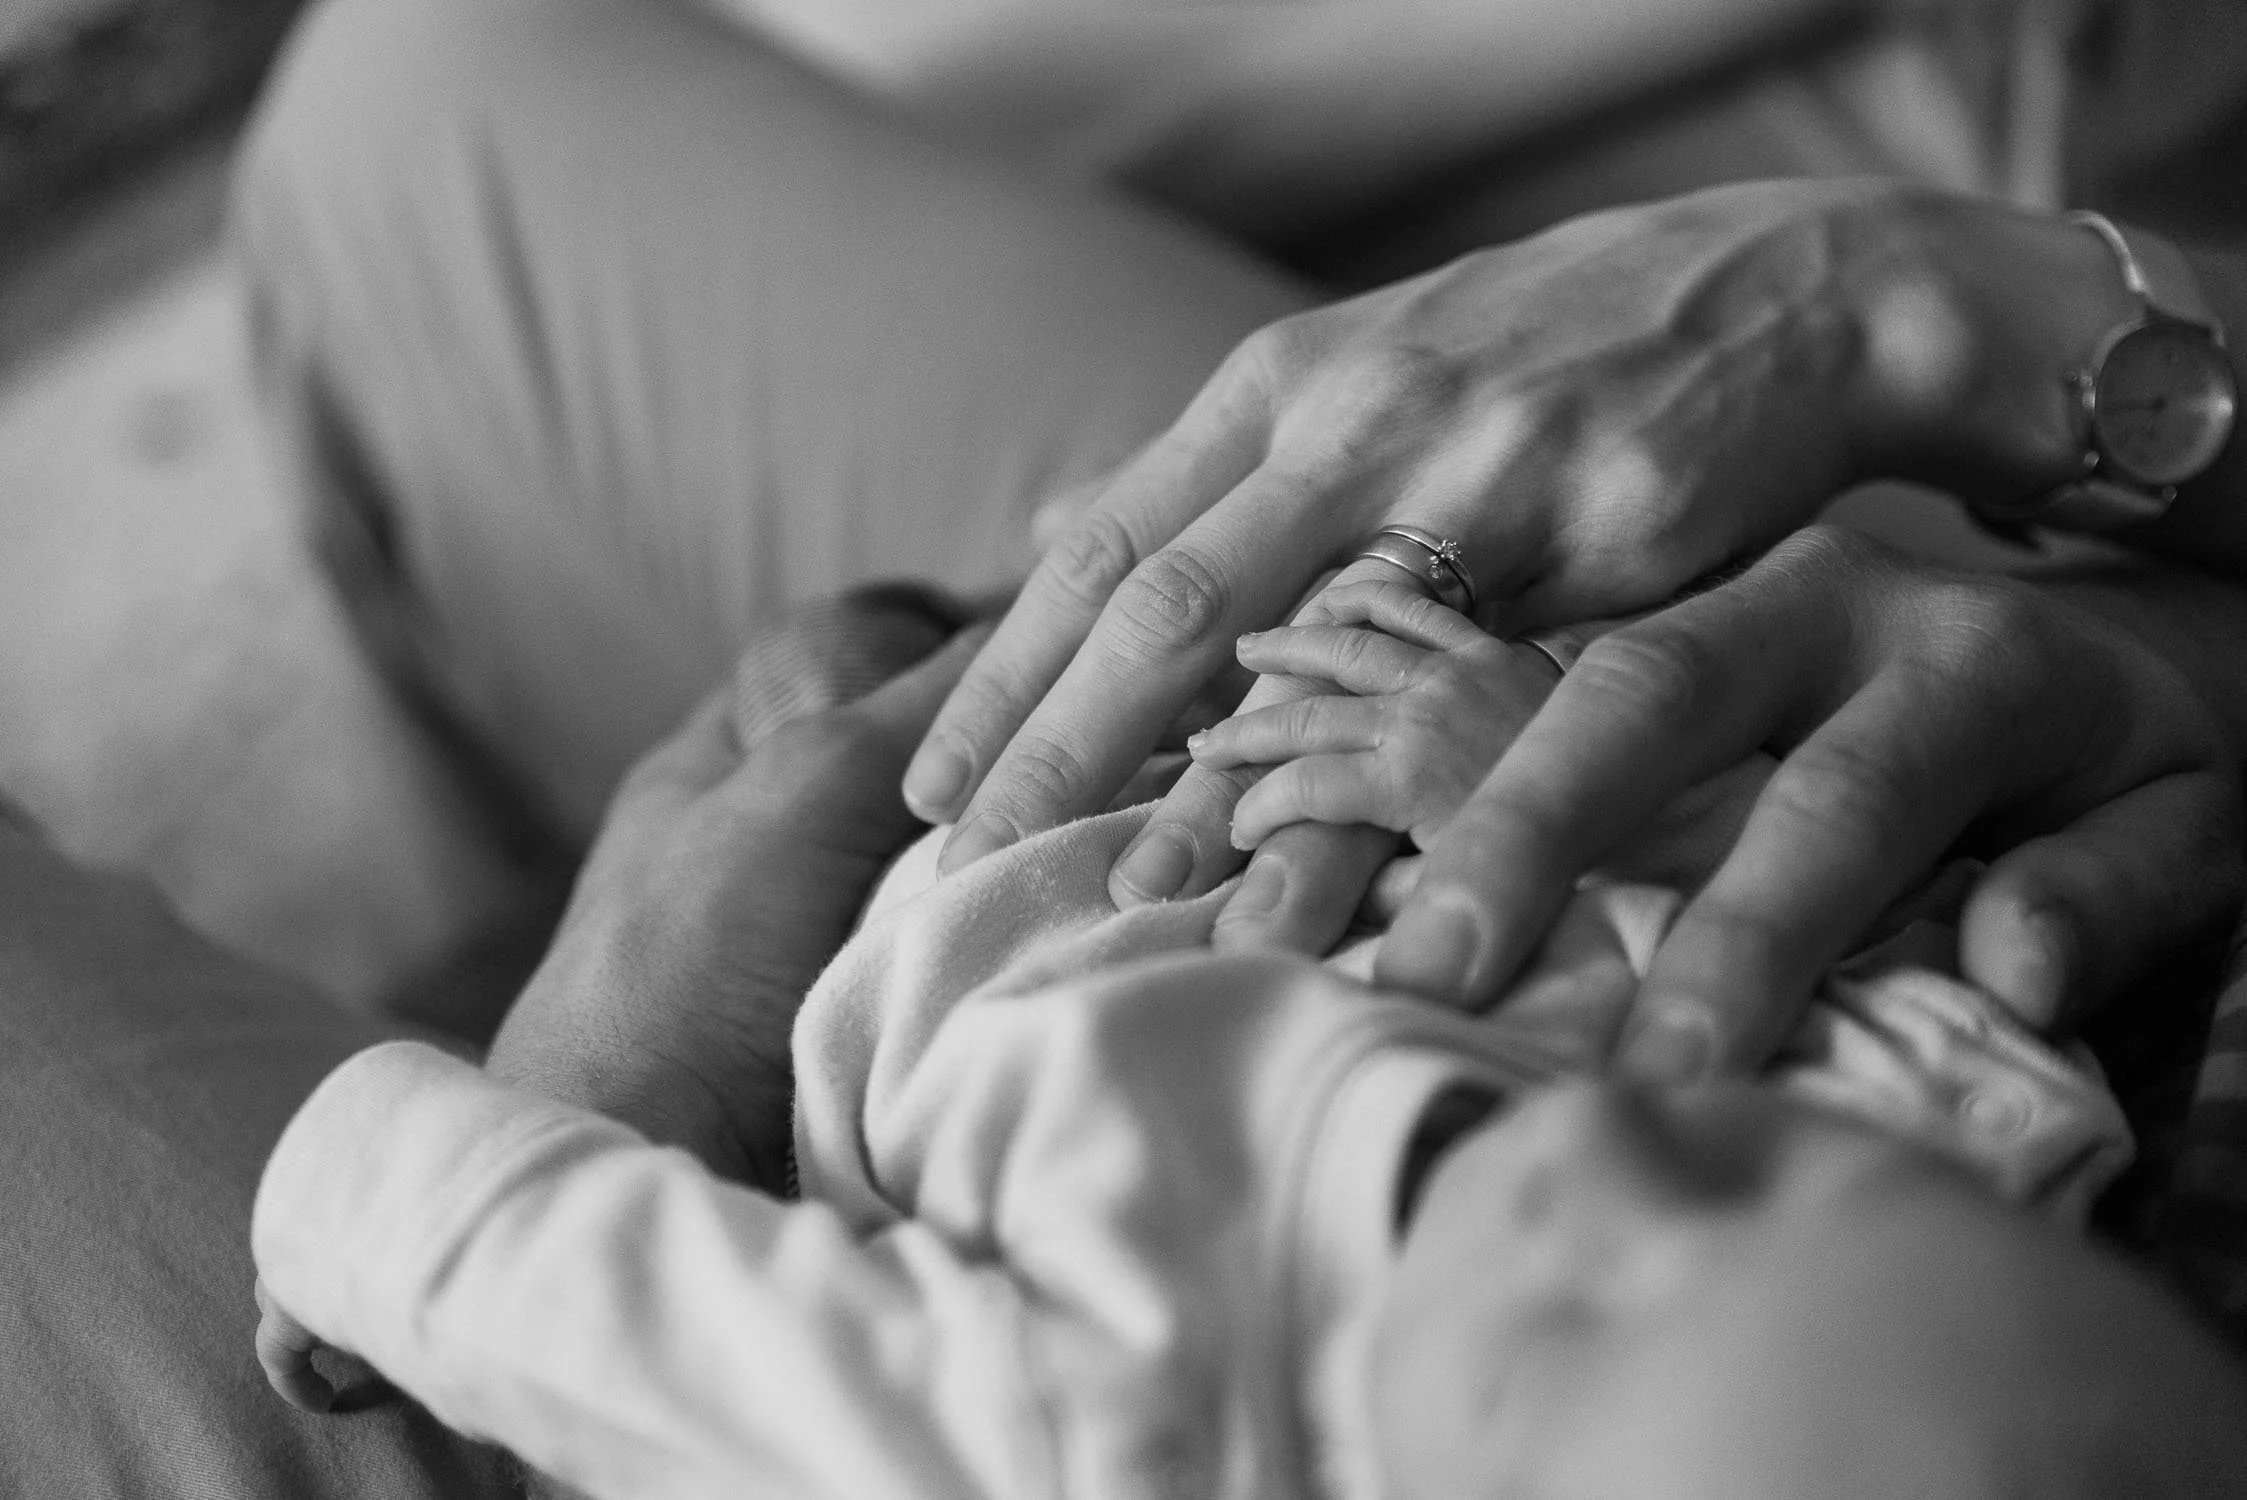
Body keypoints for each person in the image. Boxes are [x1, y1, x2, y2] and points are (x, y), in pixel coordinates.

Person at [246, 619, 2235, 1499]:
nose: (1616, 1158)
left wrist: (357, 1216)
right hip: (1238, 717)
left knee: (780, 687)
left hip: (869, 941)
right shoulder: (1934, 1182)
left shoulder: (1117, 1433)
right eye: (1755, 1168)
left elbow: (641, 1323)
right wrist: (1573, 782)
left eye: (1555, 1336)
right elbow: (1841, 902)